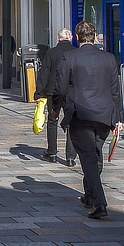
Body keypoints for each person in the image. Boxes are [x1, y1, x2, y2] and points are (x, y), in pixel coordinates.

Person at [55, 21, 120, 220]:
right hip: (104, 115)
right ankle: (90, 194)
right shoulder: (108, 58)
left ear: (76, 37)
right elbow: (115, 91)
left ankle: (99, 202)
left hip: (80, 114)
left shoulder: (69, 58)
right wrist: (117, 119)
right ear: (95, 36)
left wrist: (56, 110)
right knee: (95, 154)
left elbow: (60, 89)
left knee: (89, 158)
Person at [35, 28, 77, 166]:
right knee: (71, 123)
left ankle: (52, 153)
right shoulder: (75, 53)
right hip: (71, 92)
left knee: (52, 121)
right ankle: (70, 157)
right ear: (71, 38)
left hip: (53, 91)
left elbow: (44, 73)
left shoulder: (51, 52)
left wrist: (39, 93)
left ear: (58, 39)